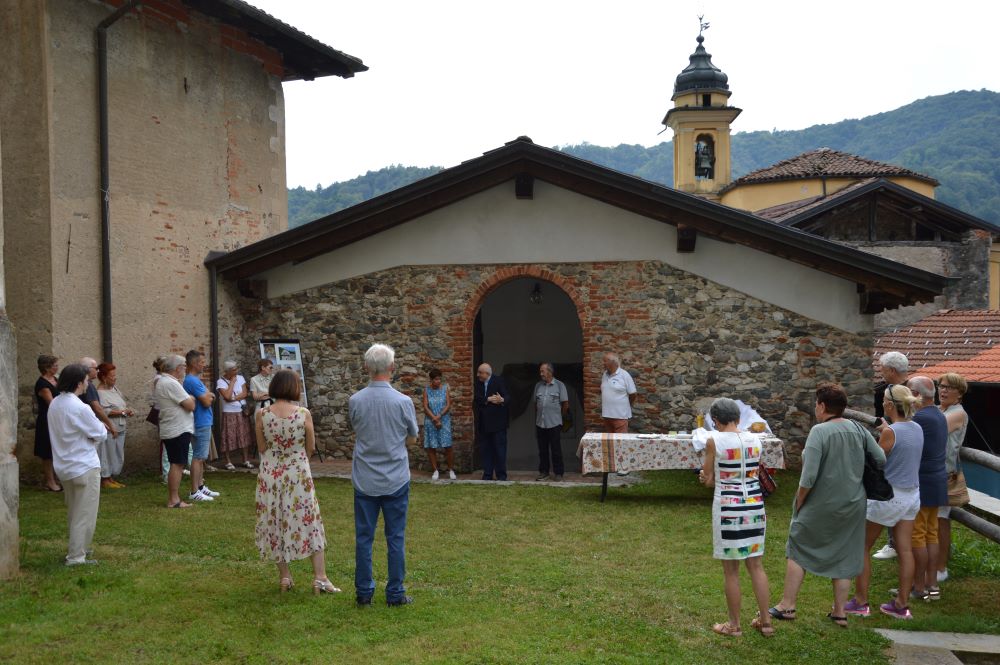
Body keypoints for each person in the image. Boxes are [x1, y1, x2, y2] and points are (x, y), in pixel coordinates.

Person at [769, 383, 885, 628]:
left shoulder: (819, 432)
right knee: (845, 552)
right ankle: (840, 612)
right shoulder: (857, 428)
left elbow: (808, 476)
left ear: (822, 406)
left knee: (798, 544)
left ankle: (787, 605)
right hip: (854, 501)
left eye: (815, 404)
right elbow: (881, 457)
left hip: (822, 502)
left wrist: (799, 500)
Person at [255, 369, 339, 594]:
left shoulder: (262, 414)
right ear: (293, 387)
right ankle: (320, 578)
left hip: (270, 474)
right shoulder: (303, 413)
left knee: (275, 520)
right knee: (309, 520)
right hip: (297, 473)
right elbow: (310, 447)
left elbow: (262, 447)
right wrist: (296, 457)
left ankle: (285, 577)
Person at [845, 384, 923, 620]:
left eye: (884, 401)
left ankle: (860, 601)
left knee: (862, 547)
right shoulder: (917, 428)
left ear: (889, 405)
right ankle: (901, 604)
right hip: (911, 496)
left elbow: (877, 460)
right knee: (905, 550)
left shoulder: (891, 433)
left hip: (888, 496)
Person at [698, 397, 774, 637]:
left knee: (731, 571)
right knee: (756, 565)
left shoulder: (714, 440)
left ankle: (734, 625)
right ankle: (766, 622)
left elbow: (709, 479)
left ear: (715, 421)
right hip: (754, 505)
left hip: (729, 509)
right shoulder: (756, 440)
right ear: (738, 418)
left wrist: (704, 477)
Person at [349, 343, 418, 606]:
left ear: (366, 368)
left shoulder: (356, 401)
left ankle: (364, 593)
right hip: (395, 477)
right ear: (392, 368)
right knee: (396, 537)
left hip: (366, 478)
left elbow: (356, 429)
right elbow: (412, 439)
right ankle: (395, 592)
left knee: (364, 538)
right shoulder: (403, 402)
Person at [47, 363, 107, 566]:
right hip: (83, 465)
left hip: (65, 466)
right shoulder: (80, 407)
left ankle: (80, 548)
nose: (88, 383)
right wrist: (91, 437)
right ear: (79, 383)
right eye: (86, 380)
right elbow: (101, 432)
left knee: (75, 511)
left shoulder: (55, 403)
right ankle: (76, 556)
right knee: (85, 513)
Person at [907, 375, 948, 601]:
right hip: (937, 481)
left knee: (918, 536)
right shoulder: (938, 415)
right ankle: (932, 585)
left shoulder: (921, 418)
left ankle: (919, 586)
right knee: (931, 534)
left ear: (916, 395)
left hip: (922, 482)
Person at [872, 351, 910, 561]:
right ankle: (894, 543)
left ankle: (895, 543)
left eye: (882, 368)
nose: (880, 371)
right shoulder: (890, 388)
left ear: (892, 370)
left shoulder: (907, 391)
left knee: (894, 495)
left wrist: (890, 431)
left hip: (901, 452)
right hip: (894, 439)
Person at [936, 372, 969, 584]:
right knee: (930, 521)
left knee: (940, 521)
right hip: (932, 472)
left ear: (959, 393)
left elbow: (934, 430)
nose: (943, 390)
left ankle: (941, 568)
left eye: (949, 387)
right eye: (941, 386)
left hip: (943, 475)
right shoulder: (940, 410)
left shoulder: (958, 413)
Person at [154, 354, 196, 508]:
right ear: (178, 368)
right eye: (184, 366)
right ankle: (174, 499)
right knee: (177, 464)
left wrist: (189, 398)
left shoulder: (165, 381)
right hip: (177, 429)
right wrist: (191, 398)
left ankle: (174, 498)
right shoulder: (171, 383)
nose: (185, 369)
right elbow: (190, 405)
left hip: (174, 428)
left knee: (176, 463)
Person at [183, 350, 219, 502]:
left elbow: (209, 396)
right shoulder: (192, 381)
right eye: (202, 362)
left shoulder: (194, 380)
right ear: (194, 363)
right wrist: (208, 396)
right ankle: (194, 491)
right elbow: (206, 401)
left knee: (201, 457)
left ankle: (200, 486)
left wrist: (208, 395)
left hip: (202, 421)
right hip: (200, 422)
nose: (204, 365)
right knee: (198, 457)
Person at [79, 357, 118, 483]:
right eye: (95, 368)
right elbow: (97, 407)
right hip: (87, 425)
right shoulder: (88, 385)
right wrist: (109, 424)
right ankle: (94, 479)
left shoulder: (87, 384)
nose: (97, 370)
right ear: (87, 370)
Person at [96, 363, 134, 489]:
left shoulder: (115, 389)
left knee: (116, 453)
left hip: (121, 425)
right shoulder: (99, 393)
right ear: (104, 377)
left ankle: (111, 478)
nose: (115, 378)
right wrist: (121, 412)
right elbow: (102, 411)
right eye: (112, 376)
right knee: (107, 452)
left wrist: (127, 410)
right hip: (110, 428)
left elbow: (121, 404)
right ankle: (105, 479)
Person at [534, 362, 569, 482]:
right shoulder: (538, 386)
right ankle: (544, 472)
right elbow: (536, 404)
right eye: (540, 371)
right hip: (540, 423)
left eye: (542, 371)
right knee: (542, 449)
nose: (541, 374)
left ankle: (558, 473)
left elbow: (565, 404)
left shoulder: (559, 385)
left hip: (554, 423)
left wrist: (559, 417)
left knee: (556, 449)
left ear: (550, 372)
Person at [217, 361, 255, 470]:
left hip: (241, 411)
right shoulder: (220, 382)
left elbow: (244, 393)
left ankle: (245, 459)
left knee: (244, 435)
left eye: (236, 369)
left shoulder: (240, 378)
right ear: (227, 371)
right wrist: (232, 383)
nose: (236, 371)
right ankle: (228, 461)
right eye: (233, 370)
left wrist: (233, 398)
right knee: (228, 436)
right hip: (229, 412)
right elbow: (226, 396)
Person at [474, 363, 509, 481]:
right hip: (484, 424)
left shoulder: (499, 381)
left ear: (487, 373)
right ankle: (487, 474)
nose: (477, 375)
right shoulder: (478, 383)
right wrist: (488, 399)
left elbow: (508, 397)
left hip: (498, 424)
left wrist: (501, 399)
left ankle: (501, 475)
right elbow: (476, 399)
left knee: (499, 450)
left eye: (479, 372)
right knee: (486, 450)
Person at [34, 354, 62, 492]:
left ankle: (57, 478)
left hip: (57, 419)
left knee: (57, 450)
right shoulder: (42, 384)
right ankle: (50, 482)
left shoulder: (56, 380)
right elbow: (52, 404)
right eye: (55, 365)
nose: (57, 367)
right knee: (47, 453)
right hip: (47, 421)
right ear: (47, 367)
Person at [422, 368, 454, 480]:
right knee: (432, 446)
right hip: (430, 420)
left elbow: (448, 404)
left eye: (439, 379)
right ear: (431, 380)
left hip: (444, 419)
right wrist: (434, 419)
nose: (438, 381)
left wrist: (439, 416)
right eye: (436, 379)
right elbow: (425, 406)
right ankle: (435, 470)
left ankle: (451, 470)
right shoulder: (426, 390)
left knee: (448, 445)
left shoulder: (445, 389)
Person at [600, 352, 637, 434]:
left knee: (620, 443)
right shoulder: (604, 375)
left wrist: (627, 405)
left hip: (620, 416)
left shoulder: (624, 375)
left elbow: (633, 394)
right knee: (610, 443)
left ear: (612, 362)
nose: (603, 364)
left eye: (605, 361)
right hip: (607, 415)